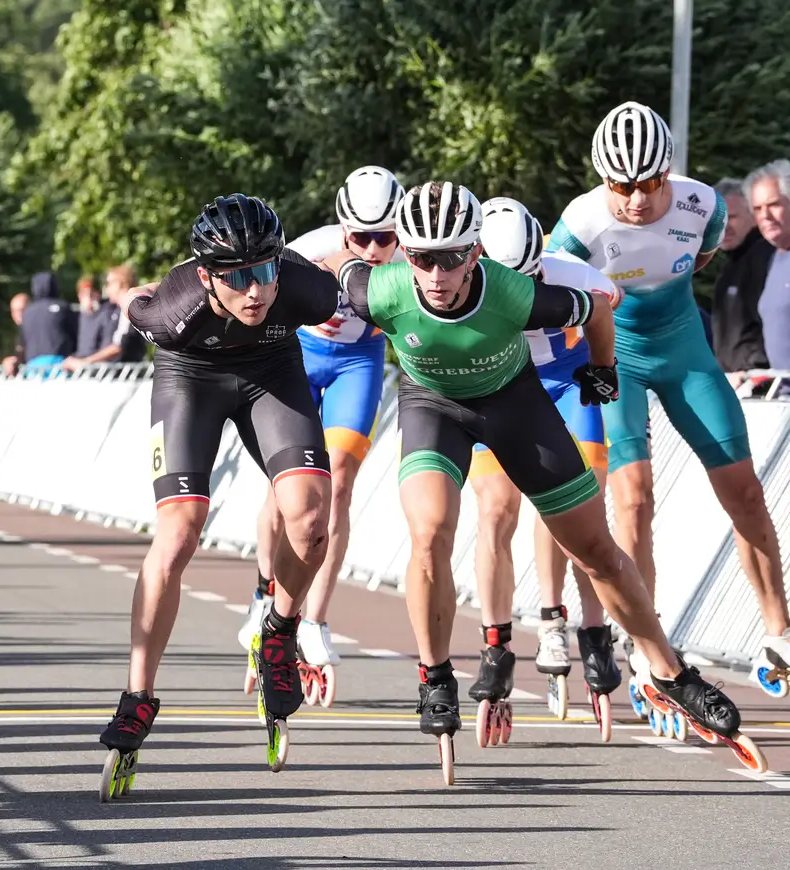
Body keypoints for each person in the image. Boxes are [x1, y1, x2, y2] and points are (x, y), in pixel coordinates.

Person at [321, 179, 752, 754]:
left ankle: (670, 673)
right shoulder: (375, 288)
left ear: (476, 251)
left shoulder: (515, 293)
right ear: (405, 251)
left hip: (514, 405)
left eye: (451, 259)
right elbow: (328, 265)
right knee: (429, 532)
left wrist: (603, 370)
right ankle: (435, 677)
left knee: (595, 550)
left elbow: (598, 310)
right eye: (422, 258)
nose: (436, 276)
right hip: (433, 408)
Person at [546, 101, 790, 690]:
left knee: (745, 491)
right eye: (621, 185)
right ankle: (647, 645)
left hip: (683, 350)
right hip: (617, 355)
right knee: (634, 498)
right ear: (603, 180)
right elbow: (553, 298)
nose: (636, 199)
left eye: (651, 183)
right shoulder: (579, 224)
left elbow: (700, 257)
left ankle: (779, 632)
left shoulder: (703, 204)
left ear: (668, 172)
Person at [98, 194, 342, 754]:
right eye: (237, 277)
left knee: (310, 521)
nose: (255, 291)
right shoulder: (173, 311)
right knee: (178, 533)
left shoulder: (305, 289)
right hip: (190, 377)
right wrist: (138, 295)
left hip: (272, 373)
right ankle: (137, 696)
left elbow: (345, 273)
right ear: (207, 276)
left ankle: (278, 632)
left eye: (265, 271)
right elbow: (135, 302)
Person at [239, 165, 404, 687]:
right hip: (302, 355)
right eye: (362, 237)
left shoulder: (412, 256)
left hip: (359, 361)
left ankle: (314, 620)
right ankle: (265, 593)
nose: (374, 249)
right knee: (284, 486)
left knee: (339, 485)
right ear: (343, 227)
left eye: (385, 237)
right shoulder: (311, 249)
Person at [466, 198, 624, 714]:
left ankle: (588, 628)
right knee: (496, 509)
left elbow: (612, 298)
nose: (524, 292)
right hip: (498, 388)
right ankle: (496, 643)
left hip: (563, 383)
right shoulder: (458, 276)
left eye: (532, 278)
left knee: (583, 500)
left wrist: (603, 367)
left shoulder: (565, 270)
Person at [711, 178, 770, 387]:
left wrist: (753, 370)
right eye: (717, 220)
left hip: (760, 385)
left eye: (732, 217)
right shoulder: (731, 265)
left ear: (753, 216)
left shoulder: (765, 258)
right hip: (737, 383)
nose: (724, 226)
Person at [744, 160, 790, 380]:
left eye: (774, 205)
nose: (765, 215)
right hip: (779, 392)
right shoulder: (773, 258)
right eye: (757, 208)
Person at [63, 265, 147, 371]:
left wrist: (85, 362)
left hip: (126, 373)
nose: (107, 289)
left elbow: (119, 346)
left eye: (108, 283)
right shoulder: (118, 309)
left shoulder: (130, 307)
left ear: (119, 284)